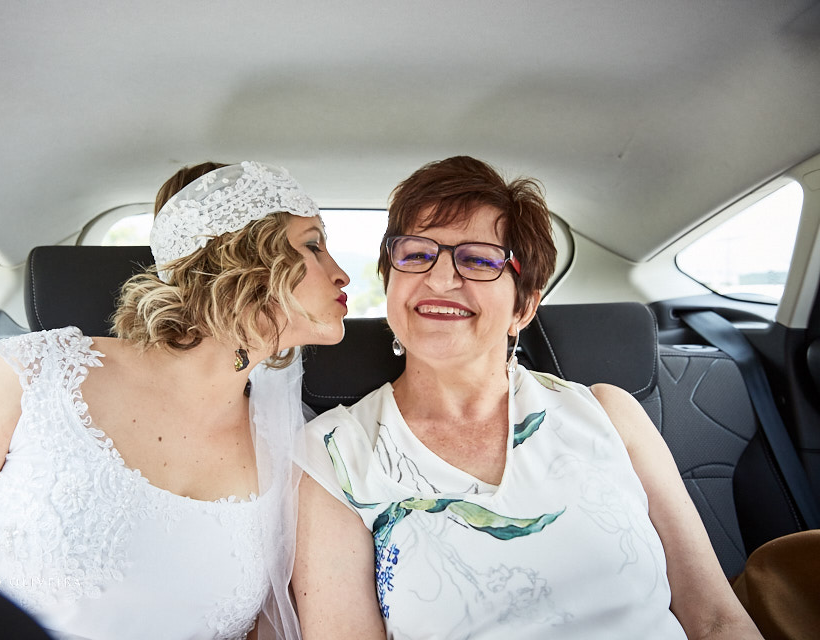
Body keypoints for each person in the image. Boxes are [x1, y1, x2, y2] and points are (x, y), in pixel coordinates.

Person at [0, 160, 350, 640]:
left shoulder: (291, 449)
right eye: (314, 247)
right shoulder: (38, 374)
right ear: (247, 260)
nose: (342, 274)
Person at [292, 156, 762, 639]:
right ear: (389, 280)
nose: (439, 278)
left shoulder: (609, 415)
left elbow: (716, 619)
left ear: (525, 306)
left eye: (477, 259)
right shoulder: (331, 455)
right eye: (415, 254)